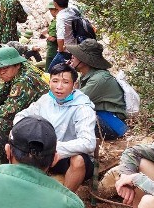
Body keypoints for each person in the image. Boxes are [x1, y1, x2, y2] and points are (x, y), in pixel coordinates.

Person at [14, 63, 96, 192]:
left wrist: (54, 147)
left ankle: (65, 198)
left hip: (65, 155)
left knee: (78, 160)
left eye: (65, 82)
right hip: (45, 153)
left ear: (74, 85)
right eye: (55, 81)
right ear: (49, 81)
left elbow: (88, 142)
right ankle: (20, 190)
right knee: (17, 145)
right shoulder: (46, 99)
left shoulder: (82, 107)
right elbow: (22, 116)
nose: (59, 87)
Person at [67, 39, 128, 139]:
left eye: (76, 55)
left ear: (84, 60)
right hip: (103, 118)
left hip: (112, 125)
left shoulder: (99, 79)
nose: (72, 57)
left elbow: (74, 100)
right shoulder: (85, 75)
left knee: (69, 117)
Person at [48, 0, 78, 70]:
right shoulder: (73, 11)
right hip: (76, 48)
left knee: (51, 71)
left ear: (55, 4)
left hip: (66, 51)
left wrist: (61, 50)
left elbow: (60, 38)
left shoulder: (61, 17)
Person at [45, 1, 60, 70]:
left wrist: (45, 35)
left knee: (49, 71)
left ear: (55, 10)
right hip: (55, 50)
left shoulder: (57, 21)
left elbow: (53, 38)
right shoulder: (55, 20)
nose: (50, 12)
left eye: (51, 10)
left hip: (53, 50)